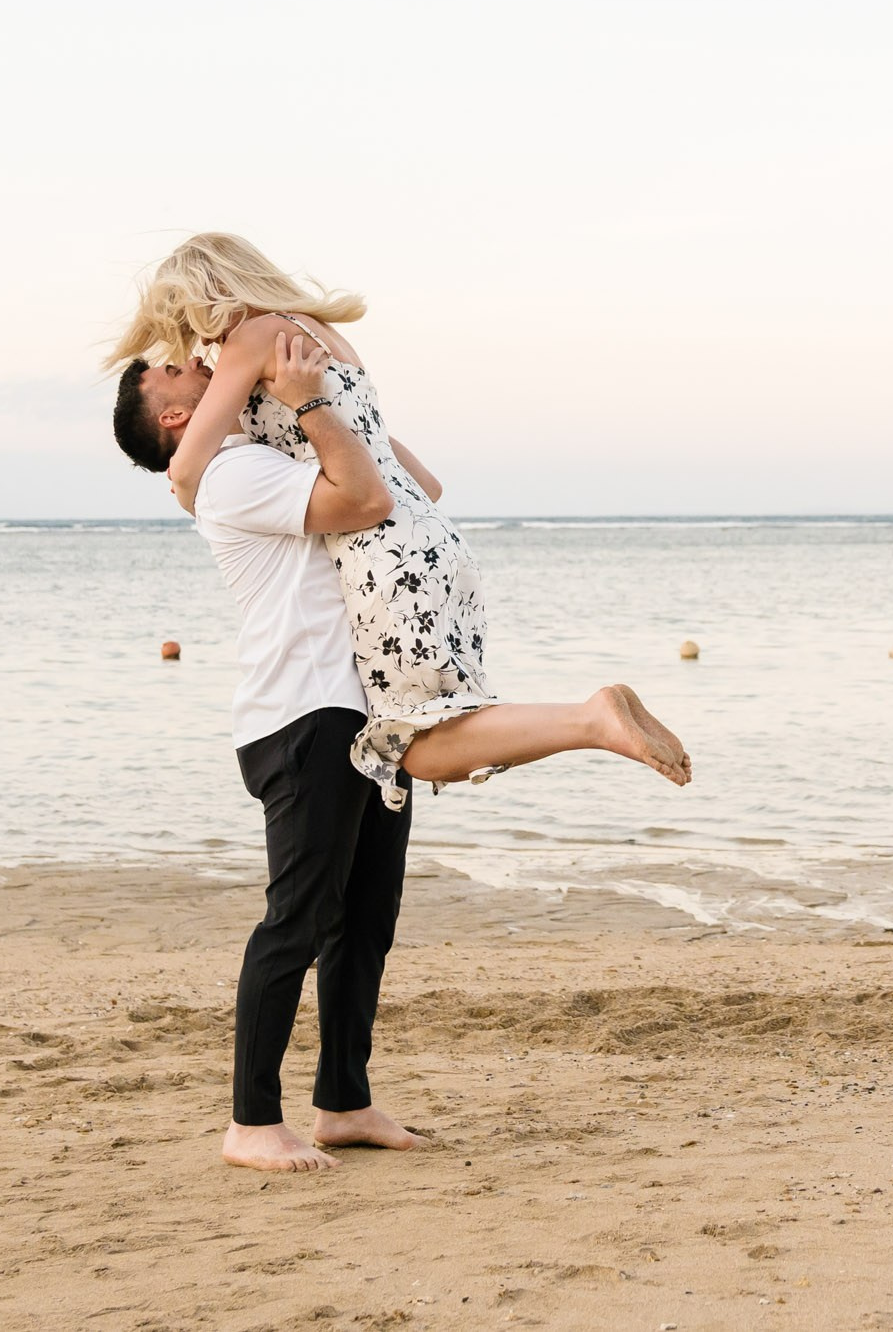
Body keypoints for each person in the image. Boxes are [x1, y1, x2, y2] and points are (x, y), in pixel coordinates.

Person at [108, 232, 692, 812]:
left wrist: (193, 497)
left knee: (420, 745)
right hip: (433, 543)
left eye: (185, 320)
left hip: (383, 559)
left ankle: (592, 720)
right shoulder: (325, 336)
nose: (196, 346)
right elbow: (426, 485)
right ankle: (589, 721)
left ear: (208, 295)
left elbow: (186, 470)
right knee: (433, 731)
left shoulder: (255, 338)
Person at [114, 329, 423, 1172]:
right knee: (299, 920)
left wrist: (340, 408)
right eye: (177, 367)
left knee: (365, 921)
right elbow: (369, 501)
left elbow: (417, 488)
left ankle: (344, 1102)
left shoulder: (269, 450)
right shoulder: (230, 470)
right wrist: (312, 401)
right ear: (174, 416)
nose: (200, 359)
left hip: (362, 709)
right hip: (303, 712)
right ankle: (250, 1122)